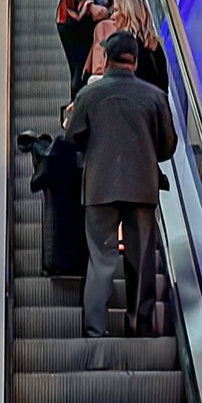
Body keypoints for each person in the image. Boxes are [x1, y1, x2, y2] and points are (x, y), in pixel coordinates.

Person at [65, 31, 176, 339]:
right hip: (142, 188)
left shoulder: (88, 96)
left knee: (101, 261)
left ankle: (94, 331)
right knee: (140, 262)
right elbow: (168, 147)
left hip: (100, 187)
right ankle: (139, 326)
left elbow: (72, 137)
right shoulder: (155, 97)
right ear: (135, 62)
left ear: (108, 60)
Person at [86, 0, 168, 91]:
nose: (112, 17)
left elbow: (121, 82)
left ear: (128, 13)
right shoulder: (154, 45)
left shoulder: (126, 46)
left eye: (116, 10)